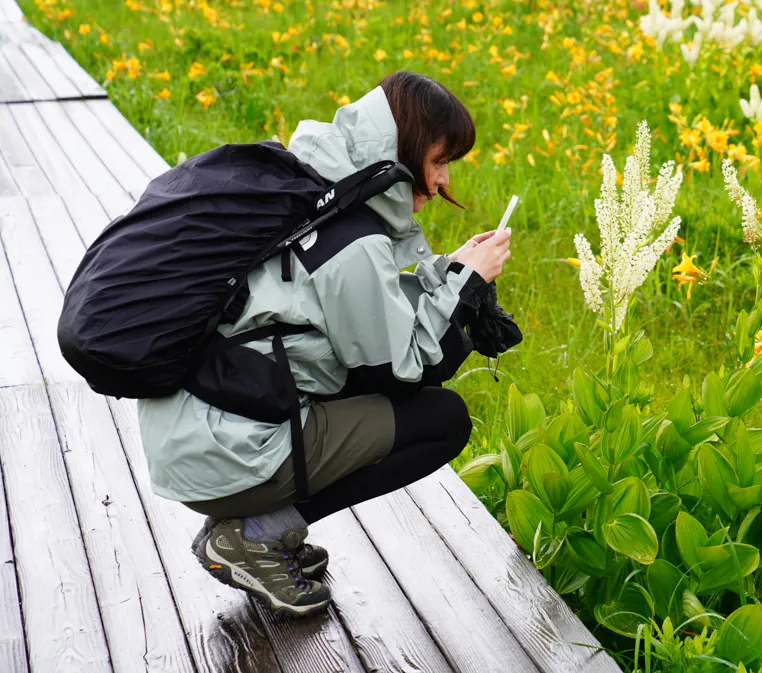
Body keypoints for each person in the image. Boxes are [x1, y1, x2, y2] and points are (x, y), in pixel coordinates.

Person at [136, 70, 519, 618]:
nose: (441, 181)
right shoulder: (350, 238)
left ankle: (252, 526)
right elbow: (401, 370)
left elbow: (354, 315)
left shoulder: (312, 197)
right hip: (228, 455)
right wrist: (467, 285)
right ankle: (253, 533)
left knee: (378, 398)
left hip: (196, 437)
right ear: (403, 151)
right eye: (438, 160)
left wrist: (449, 272)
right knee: (441, 420)